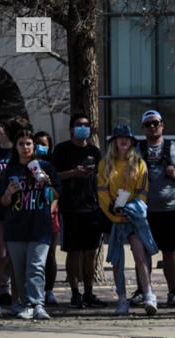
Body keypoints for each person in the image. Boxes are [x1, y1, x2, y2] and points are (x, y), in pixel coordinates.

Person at [0, 128, 60, 320]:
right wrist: (9, 192)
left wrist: (47, 184)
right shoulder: (10, 170)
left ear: (33, 146)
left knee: (36, 266)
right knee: (20, 270)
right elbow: (3, 201)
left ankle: (37, 304)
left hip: (40, 226)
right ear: (15, 147)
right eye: (21, 144)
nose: (25, 147)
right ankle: (25, 304)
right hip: (16, 227)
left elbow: (56, 195)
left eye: (28, 143)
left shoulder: (44, 167)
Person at [97, 125, 157, 315]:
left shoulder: (139, 163)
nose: (123, 140)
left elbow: (143, 193)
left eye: (127, 138)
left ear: (132, 141)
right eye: (119, 137)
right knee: (116, 260)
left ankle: (149, 295)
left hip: (134, 217)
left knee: (140, 256)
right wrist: (114, 212)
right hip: (113, 217)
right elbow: (102, 193)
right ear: (114, 141)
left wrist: (130, 209)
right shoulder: (105, 164)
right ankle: (122, 299)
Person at [136, 110, 175, 307]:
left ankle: (172, 291)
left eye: (156, 123)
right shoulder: (137, 149)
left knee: (170, 251)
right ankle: (144, 290)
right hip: (143, 210)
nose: (152, 127)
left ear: (163, 125)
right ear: (143, 128)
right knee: (142, 252)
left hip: (171, 208)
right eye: (148, 124)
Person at [52, 113, 106, 308]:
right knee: (73, 251)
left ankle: (89, 292)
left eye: (86, 124)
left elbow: (102, 178)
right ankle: (75, 292)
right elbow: (53, 176)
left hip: (92, 207)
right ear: (71, 128)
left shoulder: (94, 151)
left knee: (90, 252)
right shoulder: (62, 150)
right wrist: (73, 173)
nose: (83, 127)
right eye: (78, 125)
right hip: (71, 206)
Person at [33, 131, 59, 306]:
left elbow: (57, 193)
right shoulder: (29, 165)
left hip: (50, 214)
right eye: (38, 143)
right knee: (34, 256)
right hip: (31, 213)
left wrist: (50, 210)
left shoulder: (51, 166)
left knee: (49, 254)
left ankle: (49, 290)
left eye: (45, 144)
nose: (41, 147)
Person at [0, 122, 15, 307]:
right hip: (0, 209)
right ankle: (3, 288)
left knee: (14, 253)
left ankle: (13, 289)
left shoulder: (16, 154)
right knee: (2, 254)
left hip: (17, 209)